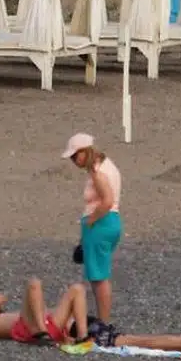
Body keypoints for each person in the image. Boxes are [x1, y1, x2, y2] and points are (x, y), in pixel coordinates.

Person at [63, 133, 123, 324]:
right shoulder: (107, 165)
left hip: (101, 225)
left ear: (85, 152)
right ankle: (102, 321)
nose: (73, 161)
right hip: (111, 223)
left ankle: (103, 323)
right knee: (100, 274)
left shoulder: (98, 172)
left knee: (98, 277)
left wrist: (91, 221)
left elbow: (107, 200)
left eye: (75, 156)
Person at [0, 279, 87, 345]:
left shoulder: (4, 315)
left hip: (48, 325)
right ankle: (41, 331)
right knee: (34, 284)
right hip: (30, 329)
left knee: (78, 289)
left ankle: (83, 337)